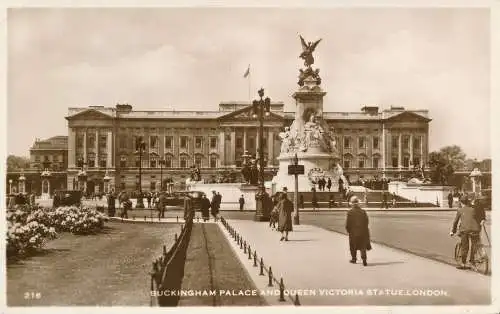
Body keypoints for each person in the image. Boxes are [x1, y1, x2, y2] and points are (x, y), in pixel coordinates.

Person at [450, 195, 485, 269]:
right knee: (474, 246)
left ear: (461, 202)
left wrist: (453, 231)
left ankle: (463, 263)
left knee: (465, 247)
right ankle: (472, 261)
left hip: (465, 230)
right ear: (468, 202)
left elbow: (455, 222)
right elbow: (480, 216)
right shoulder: (474, 209)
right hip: (475, 229)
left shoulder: (460, 210)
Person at [345, 196, 371, 266]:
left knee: (353, 246)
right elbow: (366, 222)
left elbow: (348, 223)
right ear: (358, 203)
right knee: (363, 246)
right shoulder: (363, 211)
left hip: (353, 232)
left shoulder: (350, 212)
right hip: (363, 231)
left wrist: (348, 230)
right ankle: (364, 259)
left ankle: (354, 259)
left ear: (352, 204)